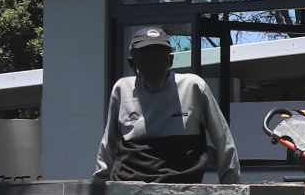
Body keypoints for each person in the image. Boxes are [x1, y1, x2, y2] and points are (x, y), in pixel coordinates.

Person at [94, 27, 242, 184]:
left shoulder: (193, 86)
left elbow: (221, 137)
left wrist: (230, 183)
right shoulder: (122, 89)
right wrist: (100, 183)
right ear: (132, 63)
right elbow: (109, 141)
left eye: (161, 60)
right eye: (146, 61)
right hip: (128, 185)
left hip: (180, 186)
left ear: (170, 61)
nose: (155, 67)